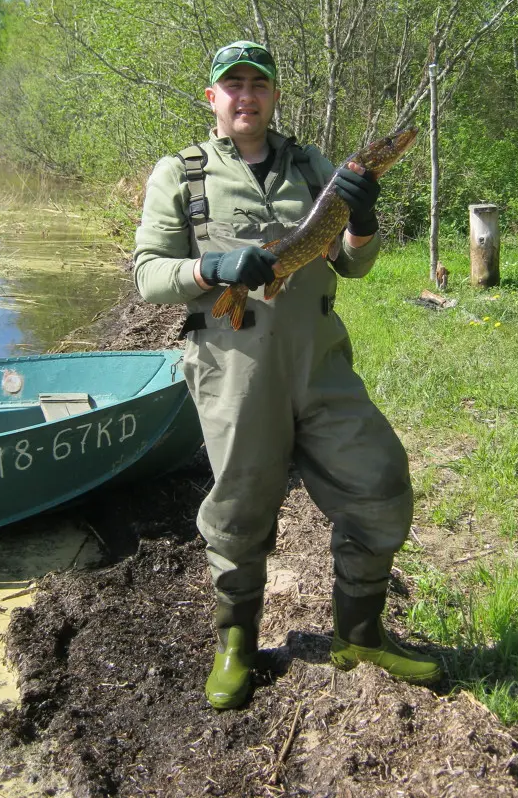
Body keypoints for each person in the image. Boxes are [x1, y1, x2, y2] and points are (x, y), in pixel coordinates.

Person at [134, 40, 441, 709]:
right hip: (235, 369)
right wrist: (211, 269)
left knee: (381, 480)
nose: (247, 95)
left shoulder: (311, 164)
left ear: (274, 96)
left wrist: (361, 218)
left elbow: (354, 265)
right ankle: (236, 644)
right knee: (240, 512)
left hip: (321, 364)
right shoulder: (181, 173)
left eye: (259, 84)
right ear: (212, 97)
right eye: (233, 84)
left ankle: (359, 633)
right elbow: (147, 274)